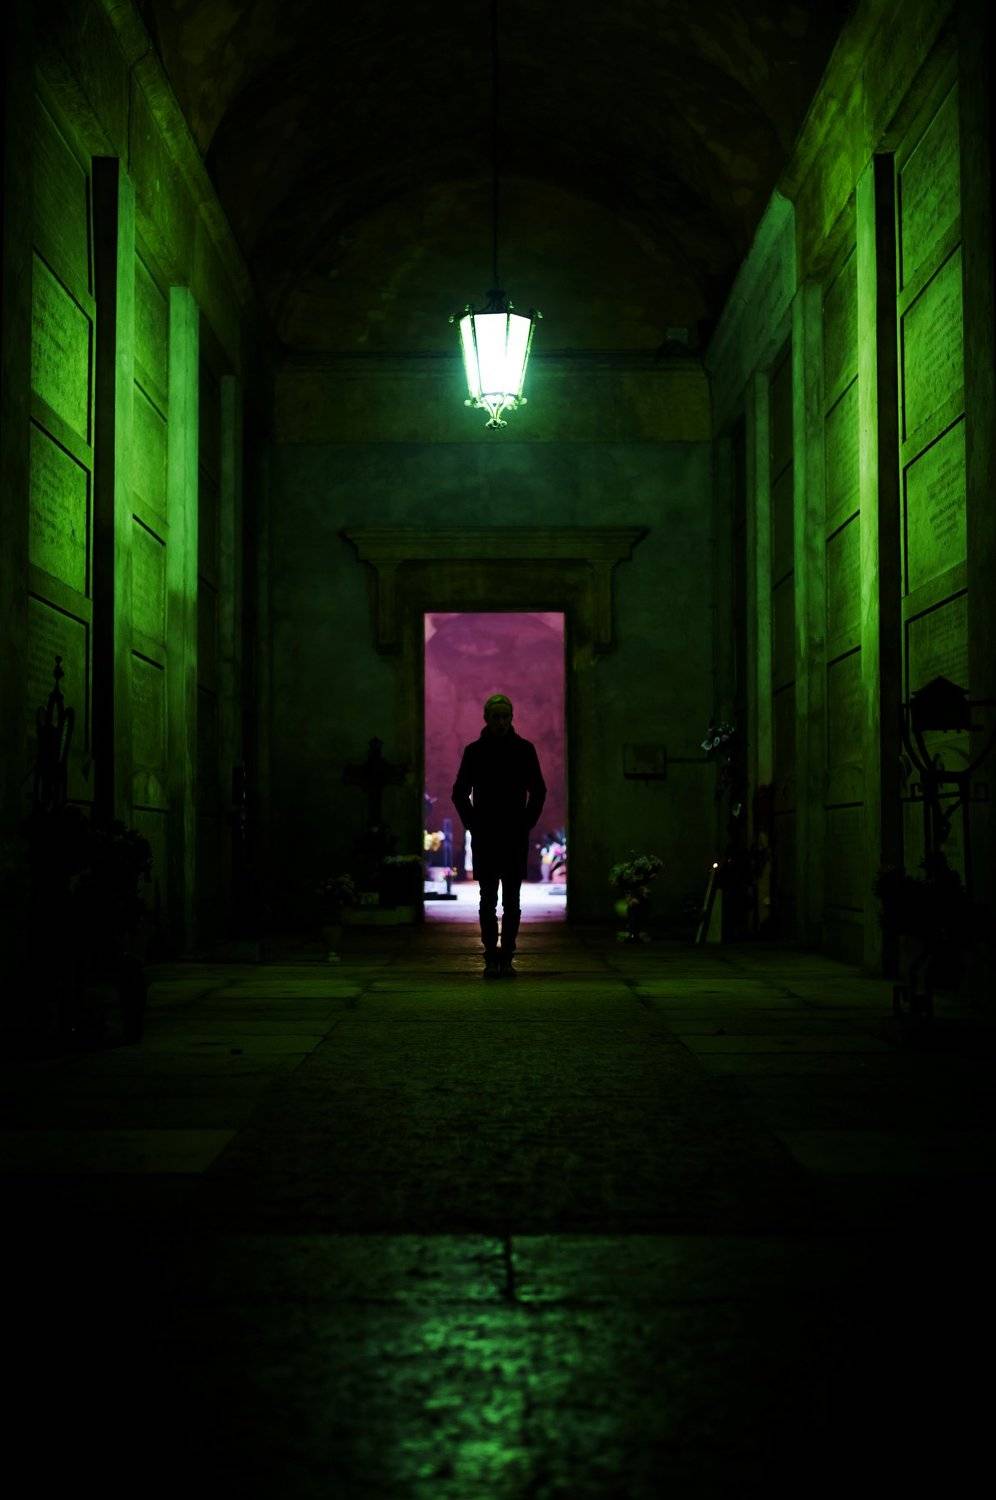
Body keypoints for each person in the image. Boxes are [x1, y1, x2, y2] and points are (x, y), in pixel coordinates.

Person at [452, 693, 546, 978]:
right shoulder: (475, 751)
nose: (502, 722)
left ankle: (506, 956)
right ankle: (491, 954)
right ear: (487, 718)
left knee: (513, 900)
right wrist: (474, 824)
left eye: (506, 716)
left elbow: (539, 790)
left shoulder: (524, 750)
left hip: (511, 833)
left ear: (511, 718)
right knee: (488, 898)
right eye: (497, 716)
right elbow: (459, 793)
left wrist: (525, 822)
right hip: (488, 834)